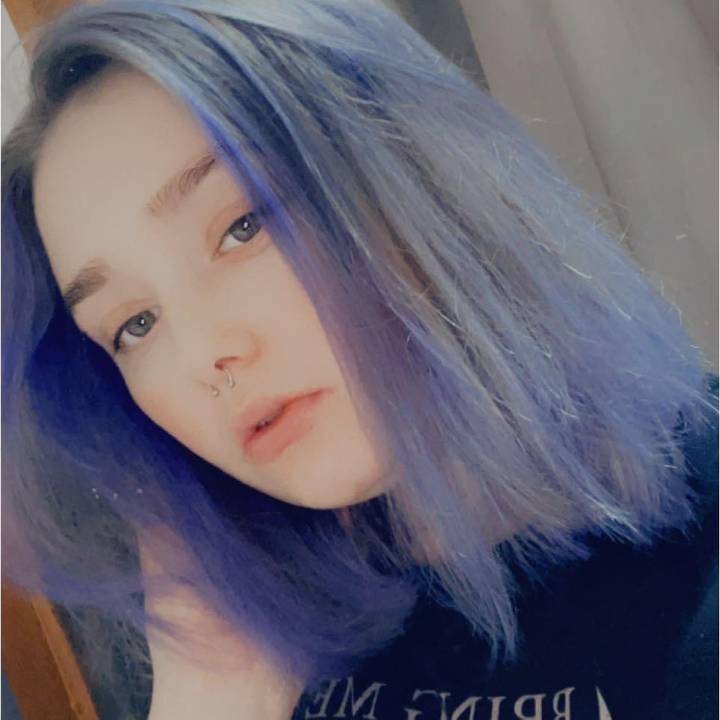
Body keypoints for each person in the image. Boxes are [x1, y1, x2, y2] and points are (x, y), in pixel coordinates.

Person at [2, 1, 716, 718]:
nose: (200, 357)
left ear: (408, 168)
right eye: (134, 325)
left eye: (242, 227)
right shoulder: (207, 623)